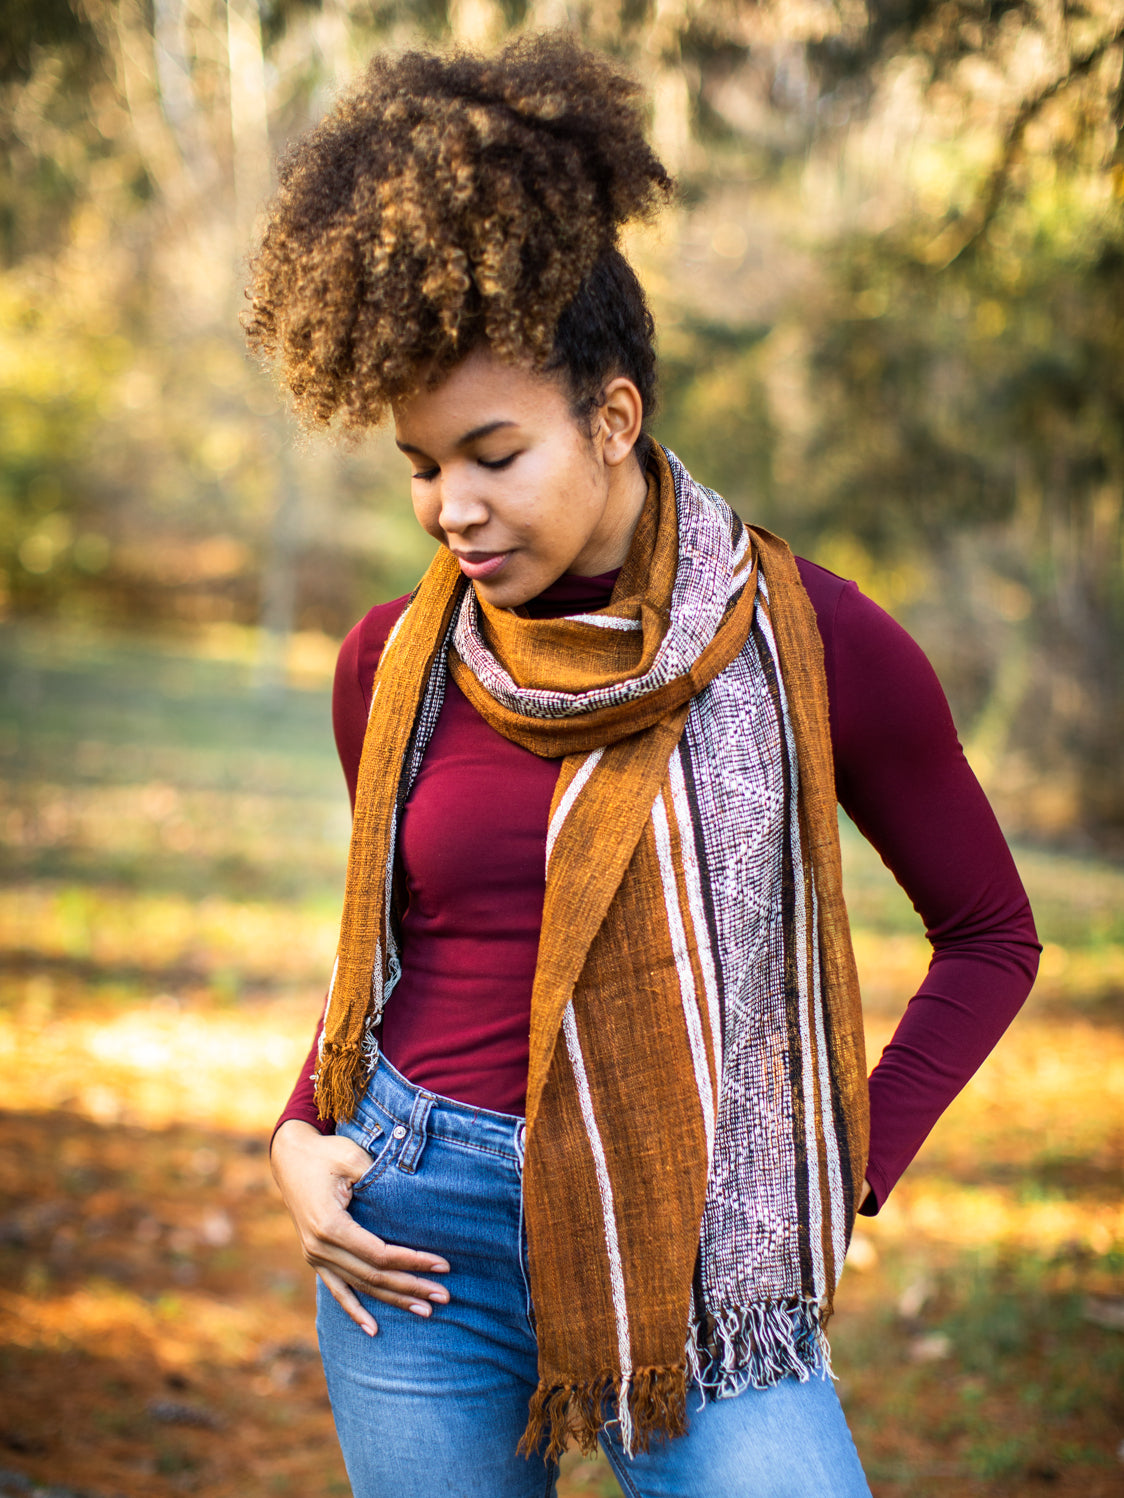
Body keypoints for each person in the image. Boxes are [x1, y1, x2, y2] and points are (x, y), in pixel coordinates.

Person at [245, 34, 1039, 1498]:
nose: (450, 508)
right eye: (421, 464)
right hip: (418, 1236)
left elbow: (992, 933)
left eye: (493, 454)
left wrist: (839, 1160)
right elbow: (399, 950)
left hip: (695, 1244)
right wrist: (303, 1131)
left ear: (612, 418)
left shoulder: (812, 643)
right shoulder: (392, 665)